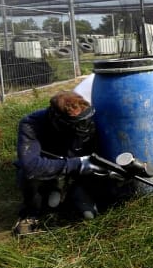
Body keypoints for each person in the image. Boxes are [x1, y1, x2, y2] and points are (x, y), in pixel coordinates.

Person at [12, 91, 112, 235]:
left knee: (89, 214)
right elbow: (31, 167)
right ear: (58, 120)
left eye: (84, 121)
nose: (83, 126)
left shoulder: (87, 119)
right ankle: (31, 213)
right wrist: (76, 164)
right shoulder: (31, 124)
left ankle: (67, 193)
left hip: (77, 174)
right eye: (77, 124)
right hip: (48, 171)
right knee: (27, 176)